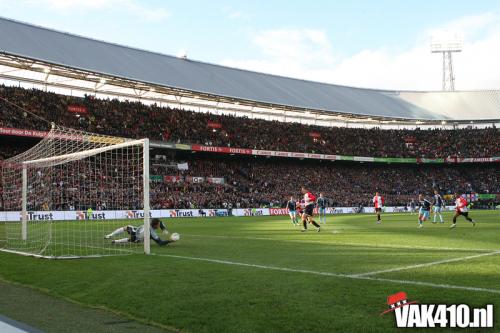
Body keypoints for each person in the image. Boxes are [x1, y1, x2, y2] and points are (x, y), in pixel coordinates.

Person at [105, 218, 175, 245]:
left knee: (126, 228)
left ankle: (111, 236)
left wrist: (163, 229)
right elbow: (160, 243)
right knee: (130, 239)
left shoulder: (150, 222)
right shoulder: (152, 233)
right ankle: (114, 240)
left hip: (136, 231)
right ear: (155, 225)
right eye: (158, 225)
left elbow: (159, 221)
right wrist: (170, 240)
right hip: (138, 237)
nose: (159, 225)